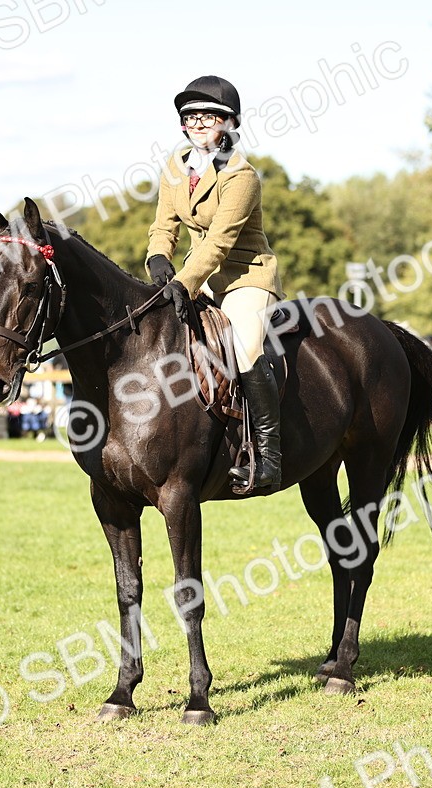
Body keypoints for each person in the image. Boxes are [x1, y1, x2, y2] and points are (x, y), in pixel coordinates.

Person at [146, 75, 285, 491]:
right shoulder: (174, 169)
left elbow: (221, 242)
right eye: (191, 116)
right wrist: (157, 256)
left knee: (243, 350)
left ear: (229, 123)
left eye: (210, 116)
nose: (200, 123)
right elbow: (162, 225)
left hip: (244, 277)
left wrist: (185, 281)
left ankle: (268, 456)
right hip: (197, 275)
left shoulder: (241, 176)